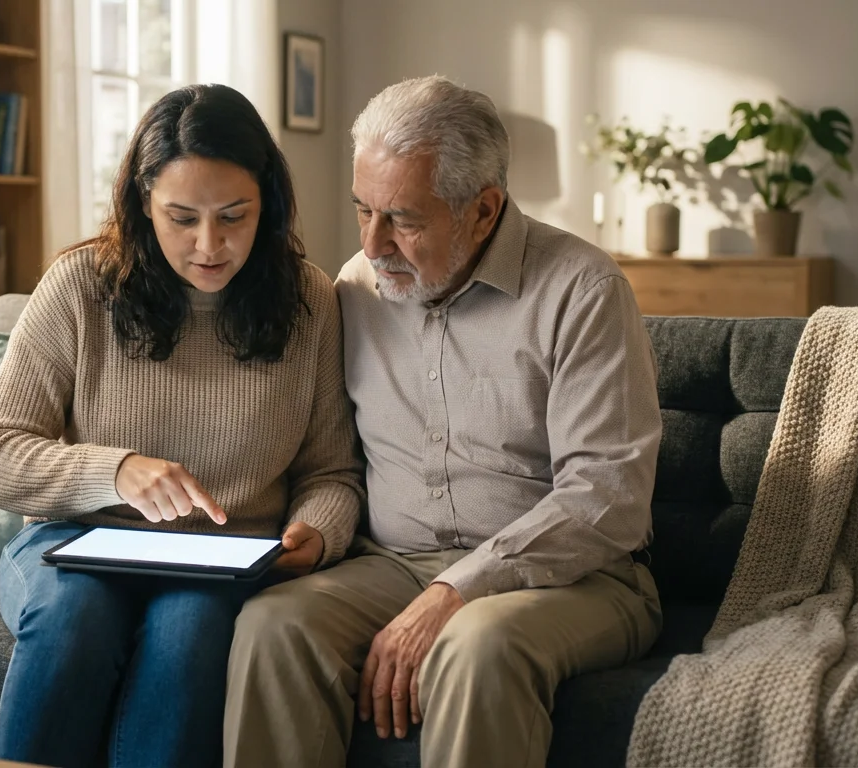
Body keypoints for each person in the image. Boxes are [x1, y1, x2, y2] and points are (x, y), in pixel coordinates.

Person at [224, 75, 664, 768]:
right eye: (361, 210)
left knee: (477, 645)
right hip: (393, 565)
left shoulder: (583, 291)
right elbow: (328, 460)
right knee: (274, 625)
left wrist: (458, 589)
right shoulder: (353, 291)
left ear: (483, 210)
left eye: (403, 219)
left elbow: (606, 497)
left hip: (574, 579)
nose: (373, 243)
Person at [0, 83, 362, 768]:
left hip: (220, 557)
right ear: (142, 204)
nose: (210, 245)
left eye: (234, 216)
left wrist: (316, 533)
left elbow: (331, 471)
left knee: (192, 635)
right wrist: (113, 471)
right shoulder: (80, 287)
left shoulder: (311, 302)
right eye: (182, 218)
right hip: (75, 543)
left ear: (266, 204)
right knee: (72, 620)